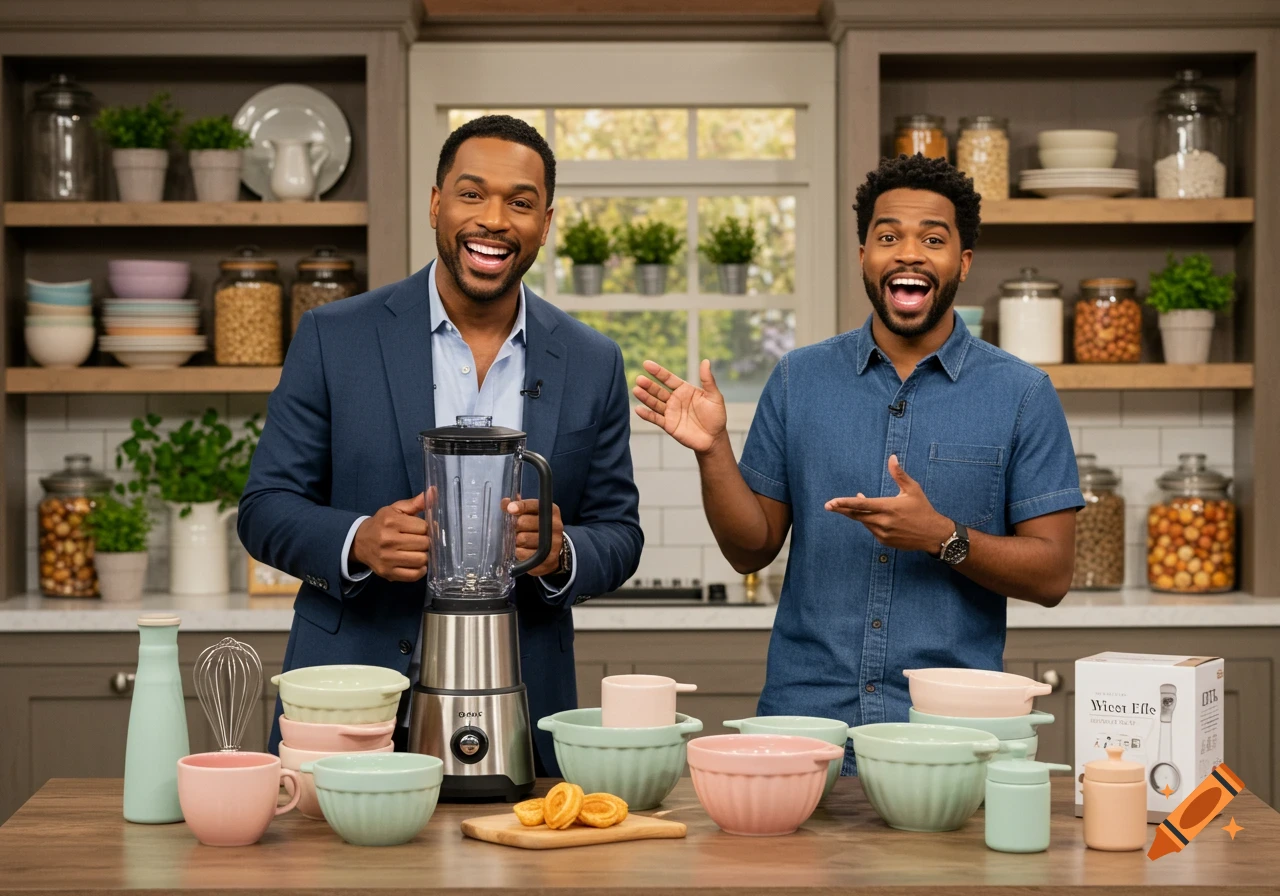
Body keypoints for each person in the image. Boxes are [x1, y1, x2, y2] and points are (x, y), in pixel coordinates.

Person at [634, 154, 1082, 773]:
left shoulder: (1022, 394)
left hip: (948, 738)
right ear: (864, 255)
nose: (909, 253)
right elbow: (750, 550)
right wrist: (713, 452)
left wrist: (942, 538)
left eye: (933, 238)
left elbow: (1053, 574)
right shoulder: (798, 380)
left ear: (963, 262)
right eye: (888, 236)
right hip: (803, 729)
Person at [239, 115, 643, 774]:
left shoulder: (593, 360)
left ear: (545, 222)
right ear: (436, 203)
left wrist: (558, 552)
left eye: (520, 202)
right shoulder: (333, 336)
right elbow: (264, 507)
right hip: (348, 704)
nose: (493, 219)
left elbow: (619, 532)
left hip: (523, 705)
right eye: (471, 193)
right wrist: (359, 539)